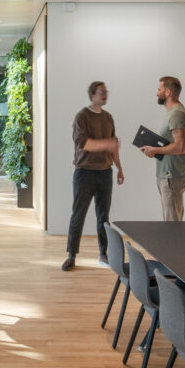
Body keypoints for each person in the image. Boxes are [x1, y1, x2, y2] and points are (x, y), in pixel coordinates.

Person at [63, 80, 124, 271]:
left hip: (105, 172)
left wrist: (120, 168)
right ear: (92, 95)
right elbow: (85, 144)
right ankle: (71, 255)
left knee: (103, 217)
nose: (105, 95)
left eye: (106, 91)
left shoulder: (108, 118)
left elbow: (113, 146)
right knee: (78, 214)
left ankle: (103, 254)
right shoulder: (82, 116)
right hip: (85, 172)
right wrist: (107, 144)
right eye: (101, 92)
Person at [140, 76, 185, 222]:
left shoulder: (176, 114)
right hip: (169, 175)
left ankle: (175, 246)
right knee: (171, 223)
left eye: (159, 89)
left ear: (168, 92)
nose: (157, 93)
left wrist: (155, 150)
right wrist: (153, 149)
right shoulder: (173, 113)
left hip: (171, 176)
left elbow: (181, 147)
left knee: (172, 226)